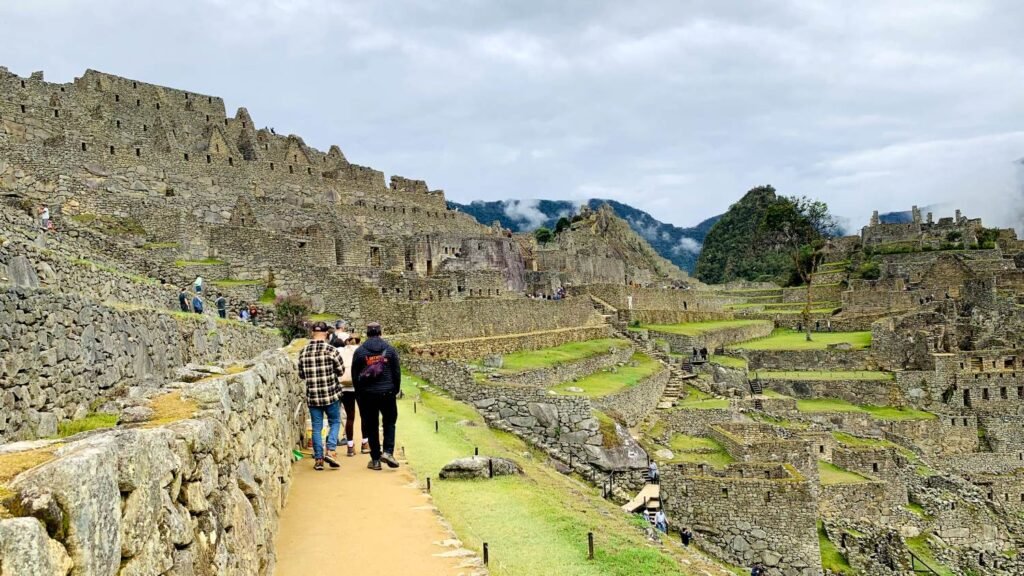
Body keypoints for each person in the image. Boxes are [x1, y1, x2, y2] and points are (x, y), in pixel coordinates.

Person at [352, 322, 401, 471]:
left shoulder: (360, 352)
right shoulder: (390, 350)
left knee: (371, 425)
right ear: (381, 332)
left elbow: (355, 375)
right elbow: (396, 372)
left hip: (368, 394)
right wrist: (395, 389)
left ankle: (375, 459)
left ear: (367, 334)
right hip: (387, 392)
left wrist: (359, 394)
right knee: (389, 422)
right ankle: (387, 452)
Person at [297, 321, 345, 471]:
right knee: (335, 421)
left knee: (317, 427)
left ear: (312, 332)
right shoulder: (331, 350)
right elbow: (341, 370)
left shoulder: (303, 352)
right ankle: (330, 450)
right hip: (330, 394)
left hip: (313, 396)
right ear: (326, 334)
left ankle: (318, 459)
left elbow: (301, 374)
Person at [339, 336, 368, 456]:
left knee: (350, 417)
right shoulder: (362, 351)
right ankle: (365, 443)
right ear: (359, 341)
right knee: (364, 415)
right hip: (360, 387)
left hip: (345, 387)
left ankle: (350, 446)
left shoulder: (341, 351)